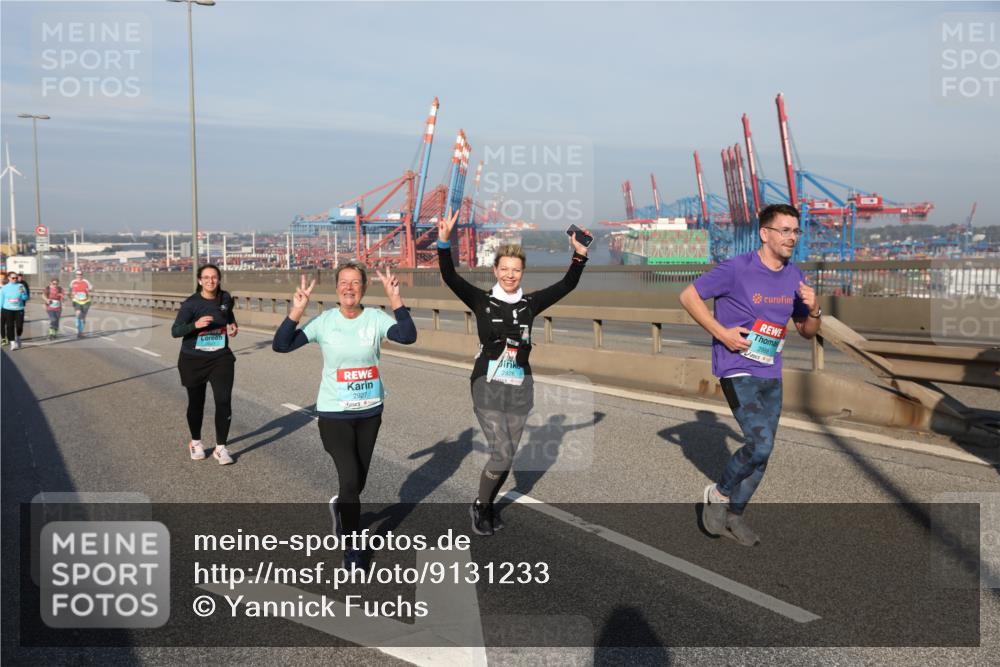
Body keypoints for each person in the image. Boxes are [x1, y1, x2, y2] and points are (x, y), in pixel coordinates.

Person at [436, 210, 591, 536]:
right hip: (486, 383)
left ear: (522, 273)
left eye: (515, 270)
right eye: (504, 269)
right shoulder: (481, 300)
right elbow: (450, 277)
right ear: (495, 270)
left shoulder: (530, 305)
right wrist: (443, 241)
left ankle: (486, 504)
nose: (509, 275)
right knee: (502, 451)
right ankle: (480, 506)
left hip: (520, 385)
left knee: (506, 456)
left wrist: (579, 255)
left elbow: (567, 285)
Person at [679, 203, 820, 547]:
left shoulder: (795, 276)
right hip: (737, 366)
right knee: (760, 443)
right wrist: (722, 333)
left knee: (762, 454)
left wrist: (815, 307)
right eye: (785, 230)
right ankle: (719, 493)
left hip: (771, 370)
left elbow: (807, 330)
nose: (792, 238)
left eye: (796, 231)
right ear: (765, 233)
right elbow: (689, 296)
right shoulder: (737, 268)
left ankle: (735, 516)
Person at [272, 264, 416, 569]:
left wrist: (395, 299)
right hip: (334, 413)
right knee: (350, 480)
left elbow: (408, 335)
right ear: (337, 288)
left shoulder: (376, 318)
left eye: (355, 282)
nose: (349, 287)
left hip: (370, 412)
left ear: (364, 287)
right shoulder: (324, 322)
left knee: (357, 483)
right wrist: (296, 310)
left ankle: (341, 508)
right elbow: (281, 345)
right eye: (343, 282)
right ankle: (352, 546)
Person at [172, 264, 239, 465]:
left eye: (214, 277)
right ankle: (196, 443)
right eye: (206, 277)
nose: (211, 281)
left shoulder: (225, 298)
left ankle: (221, 448)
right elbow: (175, 331)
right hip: (193, 359)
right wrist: (195, 325)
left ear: (218, 279)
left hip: (220, 358)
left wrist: (232, 326)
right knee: (196, 403)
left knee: (223, 400)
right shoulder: (190, 305)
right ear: (200, 280)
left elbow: (228, 315)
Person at [1, 271, 28, 349]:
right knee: (10, 326)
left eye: (16, 278)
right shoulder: (4, 288)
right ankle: (12, 342)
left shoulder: (21, 286)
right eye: (13, 278)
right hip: (7, 309)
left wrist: (23, 293)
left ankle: (18, 337)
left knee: (19, 326)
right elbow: (1, 300)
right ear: (9, 278)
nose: (15, 279)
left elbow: (25, 298)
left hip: (19, 309)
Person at [69, 270, 94, 338]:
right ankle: (78, 330)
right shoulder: (73, 282)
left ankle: (81, 332)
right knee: (78, 314)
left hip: (86, 301)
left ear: (82, 275)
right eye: (77, 274)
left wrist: (89, 290)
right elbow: (70, 291)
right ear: (76, 275)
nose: (79, 276)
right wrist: (71, 295)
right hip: (76, 301)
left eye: (80, 274)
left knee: (83, 318)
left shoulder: (86, 281)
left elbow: (92, 288)